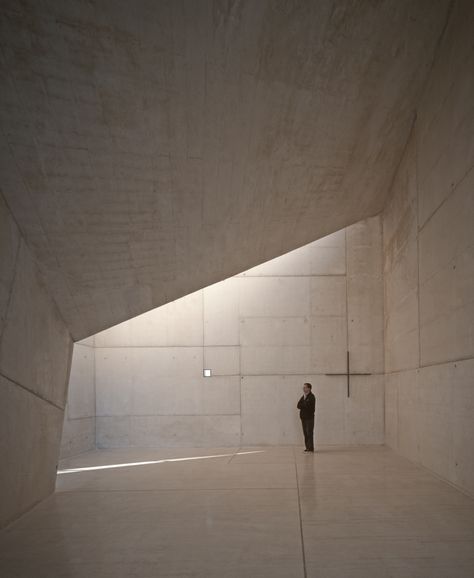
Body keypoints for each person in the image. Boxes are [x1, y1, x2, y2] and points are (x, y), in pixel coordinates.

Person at [297, 382, 316, 452]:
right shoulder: (304, 396)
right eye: (303, 387)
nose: (303, 388)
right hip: (303, 418)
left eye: (305, 387)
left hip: (309, 418)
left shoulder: (312, 397)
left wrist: (303, 404)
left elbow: (307, 406)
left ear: (309, 388)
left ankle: (311, 448)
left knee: (309, 433)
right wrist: (304, 404)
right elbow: (298, 405)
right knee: (305, 433)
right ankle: (307, 447)